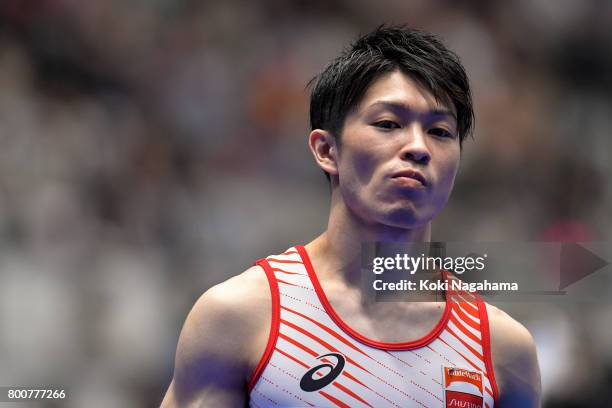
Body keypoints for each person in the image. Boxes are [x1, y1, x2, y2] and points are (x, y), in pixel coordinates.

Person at [161, 25, 541, 407]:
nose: (417, 147)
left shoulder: (501, 350)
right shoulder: (241, 316)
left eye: (440, 131)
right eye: (388, 124)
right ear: (326, 150)